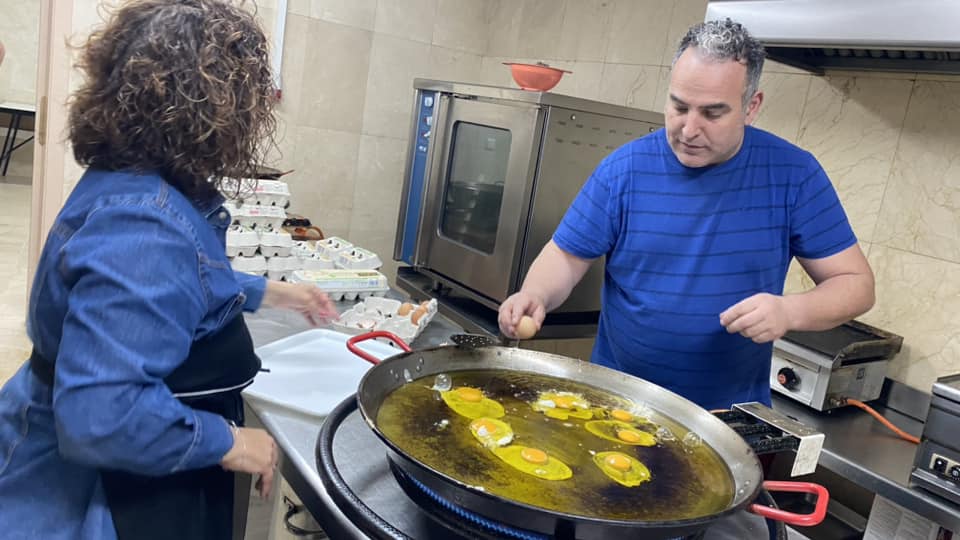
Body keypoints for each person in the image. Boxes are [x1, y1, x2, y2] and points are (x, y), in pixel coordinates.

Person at [0, 2, 338, 539]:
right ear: (218, 109)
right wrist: (230, 442)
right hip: (94, 492)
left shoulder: (137, 180)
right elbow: (102, 417)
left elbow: (179, 277)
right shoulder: (144, 226)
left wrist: (270, 292)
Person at [499, 19, 875, 411]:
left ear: (752, 107)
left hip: (725, 417)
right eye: (679, 107)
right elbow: (567, 255)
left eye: (712, 114)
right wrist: (534, 294)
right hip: (615, 404)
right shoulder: (624, 169)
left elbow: (856, 285)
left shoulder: (794, 175)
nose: (688, 129)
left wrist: (790, 310)